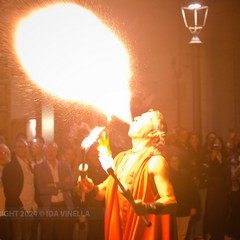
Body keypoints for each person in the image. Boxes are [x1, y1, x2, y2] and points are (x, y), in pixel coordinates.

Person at [81, 109, 177, 240]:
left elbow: (171, 201)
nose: (136, 117)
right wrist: (91, 188)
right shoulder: (121, 158)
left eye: (144, 118)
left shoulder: (155, 161)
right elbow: (103, 193)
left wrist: (147, 207)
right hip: (121, 231)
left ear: (153, 133)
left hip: (143, 232)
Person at [34, 142, 75, 240]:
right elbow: (41, 189)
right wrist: (60, 187)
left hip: (64, 206)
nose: (50, 152)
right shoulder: (38, 168)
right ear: (44, 152)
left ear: (56, 151)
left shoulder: (65, 165)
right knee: (47, 235)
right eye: (47, 150)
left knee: (64, 236)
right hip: (48, 207)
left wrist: (55, 185)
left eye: (53, 150)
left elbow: (71, 184)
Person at [2, 138, 37, 240]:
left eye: (25, 146)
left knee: (27, 235)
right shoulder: (10, 166)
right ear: (14, 149)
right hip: (17, 207)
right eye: (20, 147)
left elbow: (31, 185)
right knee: (17, 236)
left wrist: (32, 203)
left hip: (30, 206)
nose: (23, 149)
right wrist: (19, 204)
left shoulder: (29, 163)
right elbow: (8, 191)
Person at [0, 144, 11, 240]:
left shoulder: (13, 170)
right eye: (0, 153)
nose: (2, 155)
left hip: (9, 209)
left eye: (4, 153)